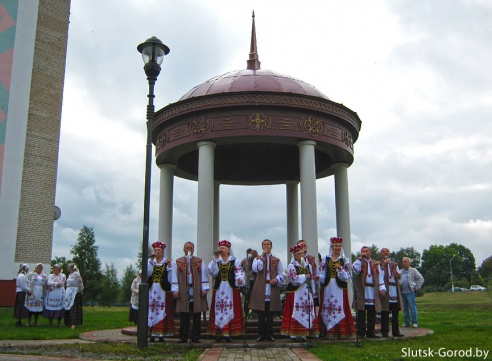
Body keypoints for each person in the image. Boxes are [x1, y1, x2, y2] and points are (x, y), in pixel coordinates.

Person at [318, 236, 356, 339]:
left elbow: (347, 276)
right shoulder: (326, 259)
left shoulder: (345, 260)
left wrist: (340, 270)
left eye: (339, 246)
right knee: (328, 305)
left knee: (340, 306)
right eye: (336, 246)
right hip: (328, 286)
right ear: (332, 246)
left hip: (339, 287)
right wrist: (319, 278)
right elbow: (322, 273)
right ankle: (327, 331)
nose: (338, 247)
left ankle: (340, 332)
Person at [208, 240, 245, 342]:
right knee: (219, 309)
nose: (221, 250)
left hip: (230, 289)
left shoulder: (234, 261)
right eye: (220, 248)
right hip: (219, 289)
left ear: (228, 250)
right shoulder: (216, 261)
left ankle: (228, 333)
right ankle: (219, 333)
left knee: (229, 308)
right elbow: (212, 272)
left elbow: (239, 272)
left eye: (223, 248)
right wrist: (215, 260)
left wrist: (239, 279)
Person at [172, 241, 209, 343]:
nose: (189, 249)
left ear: (193, 249)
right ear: (184, 249)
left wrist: (205, 288)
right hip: (184, 290)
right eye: (187, 247)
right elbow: (174, 276)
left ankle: (195, 336)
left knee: (197, 313)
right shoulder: (178, 262)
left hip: (196, 290)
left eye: (191, 248)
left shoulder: (200, 261)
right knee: (184, 314)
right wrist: (175, 289)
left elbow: (204, 274)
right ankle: (183, 336)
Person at [281, 245, 319, 340]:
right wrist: (305, 276)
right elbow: (293, 279)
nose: (301, 255)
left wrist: (313, 290)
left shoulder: (308, 266)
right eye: (298, 254)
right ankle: (297, 333)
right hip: (297, 292)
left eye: (302, 253)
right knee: (298, 310)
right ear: (294, 255)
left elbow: (311, 279)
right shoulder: (291, 266)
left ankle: (307, 331)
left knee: (307, 310)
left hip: (306, 291)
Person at [249, 239, 284, 342]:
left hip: (271, 288)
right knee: (261, 313)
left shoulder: (276, 260)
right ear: (262, 247)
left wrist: (276, 280)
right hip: (261, 288)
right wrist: (262, 257)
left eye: (268, 244)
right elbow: (256, 269)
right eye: (264, 244)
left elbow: (281, 274)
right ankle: (261, 334)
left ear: (271, 246)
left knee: (270, 313)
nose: (266, 246)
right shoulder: (257, 259)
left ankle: (269, 334)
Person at [352, 246, 386, 338]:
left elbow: (380, 276)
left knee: (372, 312)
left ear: (370, 253)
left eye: (367, 251)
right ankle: (361, 332)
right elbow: (354, 270)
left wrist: (382, 287)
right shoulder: (359, 262)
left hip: (372, 290)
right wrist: (360, 259)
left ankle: (371, 332)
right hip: (363, 290)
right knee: (361, 311)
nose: (365, 253)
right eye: (363, 251)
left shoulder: (375, 263)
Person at [147, 241, 175, 342]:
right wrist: (150, 260)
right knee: (151, 309)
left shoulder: (167, 263)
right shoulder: (150, 262)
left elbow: (171, 279)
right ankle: (151, 333)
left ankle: (161, 333)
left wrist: (170, 267)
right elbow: (148, 274)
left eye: (159, 250)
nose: (157, 252)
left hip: (162, 290)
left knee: (162, 310)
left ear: (163, 252)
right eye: (155, 250)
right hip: (152, 289)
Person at [379, 248, 404, 337]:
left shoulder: (394, 264)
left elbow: (398, 275)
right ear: (380, 254)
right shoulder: (379, 264)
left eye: (387, 251)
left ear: (390, 253)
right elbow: (379, 276)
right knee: (385, 311)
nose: (385, 253)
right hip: (385, 288)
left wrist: (398, 275)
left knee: (395, 311)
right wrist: (383, 266)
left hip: (394, 288)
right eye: (383, 251)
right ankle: (385, 332)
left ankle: (396, 331)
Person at [400, 257, 424, 328]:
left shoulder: (413, 270)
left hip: (410, 292)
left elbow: (421, 279)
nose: (404, 263)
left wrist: (416, 287)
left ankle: (414, 322)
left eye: (406, 262)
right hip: (402, 292)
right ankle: (407, 322)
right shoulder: (400, 271)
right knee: (405, 308)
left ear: (409, 263)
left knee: (412, 307)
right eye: (403, 262)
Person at [297, 239, 319, 306]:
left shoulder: (311, 258)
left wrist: (316, 277)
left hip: (311, 284)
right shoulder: (294, 259)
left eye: (304, 245)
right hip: (300, 285)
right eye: (301, 245)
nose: (303, 247)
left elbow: (316, 270)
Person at [64, 263, 84, 329]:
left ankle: (74, 323)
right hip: (69, 291)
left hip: (74, 291)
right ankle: (68, 322)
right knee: (68, 306)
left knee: (73, 307)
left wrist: (81, 289)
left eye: (68, 267)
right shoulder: (70, 275)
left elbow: (80, 282)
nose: (67, 268)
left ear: (71, 268)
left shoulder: (76, 274)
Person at [240, 248, 253, 316]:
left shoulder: (255, 260)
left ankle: (253, 312)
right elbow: (240, 271)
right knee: (246, 298)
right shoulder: (244, 261)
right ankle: (246, 312)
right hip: (247, 282)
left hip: (254, 281)